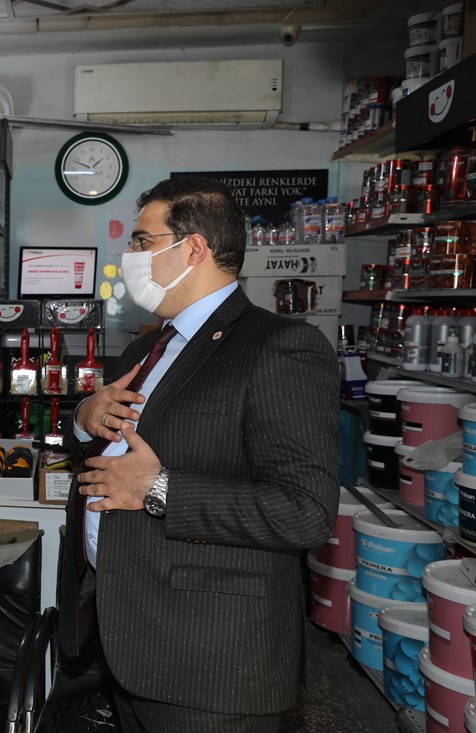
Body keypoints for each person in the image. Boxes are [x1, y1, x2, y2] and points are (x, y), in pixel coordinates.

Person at [59, 177, 339, 732]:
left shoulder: (279, 347)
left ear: (193, 248)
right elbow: (116, 451)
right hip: (128, 637)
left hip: (209, 662)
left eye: (142, 241)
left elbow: (305, 511)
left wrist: (160, 489)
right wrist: (82, 419)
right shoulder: (146, 347)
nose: (129, 254)